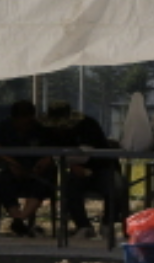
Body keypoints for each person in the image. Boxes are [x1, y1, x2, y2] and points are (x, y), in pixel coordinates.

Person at [38, 100, 123, 239]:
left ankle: (108, 223)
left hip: (103, 166)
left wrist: (68, 162)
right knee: (70, 188)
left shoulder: (88, 125)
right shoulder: (48, 131)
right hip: (76, 170)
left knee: (116, 185)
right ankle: (83, 225)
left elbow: (87, 151)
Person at [0, 100, 55, 236]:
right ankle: (16, 216)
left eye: (28, 121)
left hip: (36, 172)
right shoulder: (4, 126)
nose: (24, 126)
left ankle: (20, 218)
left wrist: (44, 161)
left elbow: (51, 151)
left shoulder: (41, 128)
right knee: (3, 183)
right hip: (13, 171)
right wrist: (11, 162)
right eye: (21, 121)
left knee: (43, 183)